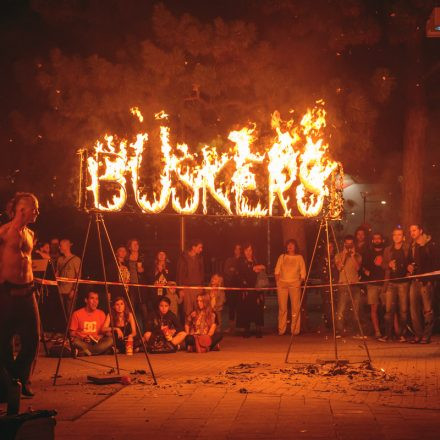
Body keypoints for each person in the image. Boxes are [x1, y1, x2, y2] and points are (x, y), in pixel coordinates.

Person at [0, 192, 40, 398]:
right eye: (35, 208)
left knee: (33, 340)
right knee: (3, 341)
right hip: (6, 294)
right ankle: (8, 384)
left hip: (28, 293)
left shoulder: (31, 234)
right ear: (22, 210)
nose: (38, 212)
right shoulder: (3, 233)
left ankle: (20, 378)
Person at [408, 224, 438, 344]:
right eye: (410, 231)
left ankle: (426, 336)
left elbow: (435, 262)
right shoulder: (413, 246)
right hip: (415, 280)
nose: (412, 233)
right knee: (414, 309)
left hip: (426, 281)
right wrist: (409, 266)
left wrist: (431, 279)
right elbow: (412, 261)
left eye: (414, 230)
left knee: (427, 310)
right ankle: (418, 334)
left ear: (421, 231)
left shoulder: (430, 245)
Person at [380, 227, 410, 342]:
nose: (396, 237)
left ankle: (401, 334)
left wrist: (409, 270)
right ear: (392, 237)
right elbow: (383, 265)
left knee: (403, 311)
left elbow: (412, 261)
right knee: (388, 311)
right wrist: (389, 265)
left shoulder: (407, 248)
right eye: (395, 235)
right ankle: (387, 335)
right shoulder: (388, 250)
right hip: (391, 283)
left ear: (403, 237)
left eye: (399, 235)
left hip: (403, 283)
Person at [274, 239, 306, 336]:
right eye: (288, 245)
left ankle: (295, 330)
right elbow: (277, 271)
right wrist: (278, 282)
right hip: (282, 284)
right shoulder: (282, 257)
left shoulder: (299, 258)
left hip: (295, 284)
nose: (290, 246)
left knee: (295, 308)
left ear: (295, 246)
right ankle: (281, 329)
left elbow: (303, 272)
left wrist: (299, 282)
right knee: (282, 308)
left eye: (292, 245)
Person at [335, 235, 363, 338]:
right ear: (344, 244)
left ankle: (356, 332)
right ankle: (339, 331)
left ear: (354, 244)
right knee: (341, 309)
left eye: (350, 244)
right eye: (347, 244)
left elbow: (357, 268)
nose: (349, 246)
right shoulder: (338, 255)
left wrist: (352, 256)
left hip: (355, 285)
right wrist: (344, 255)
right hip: (343, 285)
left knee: (356, 310)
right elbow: (339, 268)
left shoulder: (358, 256)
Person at [69, 291, 113, 356]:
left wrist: (99, 337)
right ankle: (98, 351)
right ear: (86, 300)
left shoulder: (101, 313)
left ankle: (85, 352)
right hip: (83, 341)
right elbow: (71, 333)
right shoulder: (77, 314)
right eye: (92, 298)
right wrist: (83, 337)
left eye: (97, 299)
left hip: (97, 342)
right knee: (74, 341)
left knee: (110, 340)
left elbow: (103, 332)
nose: (95, 301)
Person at [236, 243, 266, 338]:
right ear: (243, 252)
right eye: (246, 250)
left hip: (257, 289)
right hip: (246, 289)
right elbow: (240, 274)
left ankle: (258, 329)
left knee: (258, 309)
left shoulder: (256, 260)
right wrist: (252, 269)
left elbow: (264, 268)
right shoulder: (240, 261)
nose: (248, 252)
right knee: (246, 309)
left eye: (250, 250)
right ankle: (246, 329)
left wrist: (259, 267)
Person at [362, 233, 386, 339]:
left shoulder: (386, 251)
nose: (377, 240)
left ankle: (394, 331)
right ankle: (377, 331)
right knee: (374, 309)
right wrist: (366, 272)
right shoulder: (368, 252)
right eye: (374, 238)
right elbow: (363, 266)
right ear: (372, 241)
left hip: (385, 284)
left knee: (389, 308)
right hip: (372, 284)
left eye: (378, 238)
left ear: (382, 240)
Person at [177, 239, 204, 317]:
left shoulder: (200, 258)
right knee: (187, 310)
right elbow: (179, 274)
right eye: (199, 247)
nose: (201, 249)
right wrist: (180, 289)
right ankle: (187, 328)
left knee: (198, 308)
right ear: (193, 247)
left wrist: (202, 286)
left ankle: (197, 327)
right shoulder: (183, 258)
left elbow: (202, 273)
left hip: (198, 287)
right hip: (187, 288)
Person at [56, 238, 81, 319]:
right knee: (60, 314)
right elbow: (57, 273)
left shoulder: (76, 260)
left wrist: (74, 290)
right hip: (60, 290)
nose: (59, 247)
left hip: (70, 291)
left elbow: (78, 276)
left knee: (70, 313)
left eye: (61, 246)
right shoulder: (60, 259)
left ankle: (70, 330)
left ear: (67, 246)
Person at [126, 238, 147, 323]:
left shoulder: (143, 256)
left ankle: (146, 330)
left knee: (143, 307)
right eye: (134, 244)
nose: (136, 246)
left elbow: (149, 270)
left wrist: (143, 270)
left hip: (141, 284)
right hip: (130, 285)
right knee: (131, 307)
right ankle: (132, 329)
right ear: (129, 247)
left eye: (137, 244)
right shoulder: (126, 258)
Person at [223, 244, 242, 332]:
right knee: (231, 307)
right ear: (234, 250)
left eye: (239, 249)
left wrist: (235, 270)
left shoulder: (243, 260)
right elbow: (226, 271)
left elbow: (243, 272)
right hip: (231, 287)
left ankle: (240, 326)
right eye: (236, 249)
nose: (238, 251)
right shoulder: (229, 260)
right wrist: (234, 271)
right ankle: (231, 327)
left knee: (240, 306)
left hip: (241, 287)